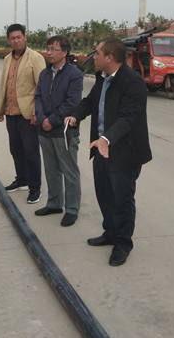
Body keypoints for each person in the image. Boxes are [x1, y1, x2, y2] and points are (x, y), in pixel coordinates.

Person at [65, 38, 152, 267]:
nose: (93, 57)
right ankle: (110, 232)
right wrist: (75, 116)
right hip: (101, 149)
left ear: (110, 57)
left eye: (97, 53)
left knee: (122, 200)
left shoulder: (133, 82)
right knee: (104, 195)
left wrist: (106, 138)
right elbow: (89, 102)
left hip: (125, 153)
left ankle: (123, 243)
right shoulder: (102, 79)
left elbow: (128, 117)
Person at [34, 35, 84, 227]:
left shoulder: (74, 74)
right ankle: (54, 204)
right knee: (51, 169)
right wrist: (41, 119)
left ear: (64, 52)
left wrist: (52, 120)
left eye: (53, 49)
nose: (49, 52)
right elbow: (38, 97)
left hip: (63, 131)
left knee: (69, 171)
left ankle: (72, 209)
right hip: (44, 130)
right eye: (47, 48)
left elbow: (72, 103)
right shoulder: (45, 73)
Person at [0, 24, 46, 204]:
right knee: (15, 149)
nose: (16, 41)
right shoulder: (7, 59)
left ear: (25, 37)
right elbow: (4, 85)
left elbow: (41, 87)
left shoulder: (36, 58)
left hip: (28, 114)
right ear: (8, 40)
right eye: (12, 38)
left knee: (31, 152)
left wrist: (36, 113)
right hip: (11, 112)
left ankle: (35, 188)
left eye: (19, 37)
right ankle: (22, 180)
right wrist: (1, 108)